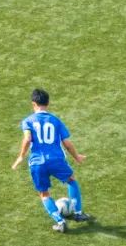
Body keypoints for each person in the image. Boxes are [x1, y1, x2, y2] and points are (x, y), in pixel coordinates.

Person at [11, 88, 91, 232]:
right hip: (56, 160)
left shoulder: (28, 121)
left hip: (37, 163)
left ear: (33, 104)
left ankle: (60, 222)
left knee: (44, 193)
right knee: (71, 180)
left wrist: (21, 156)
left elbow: (27, 139)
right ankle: (78, 213)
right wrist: (77, 156)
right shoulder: (55, 120)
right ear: (48, 103)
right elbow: (67, 143)